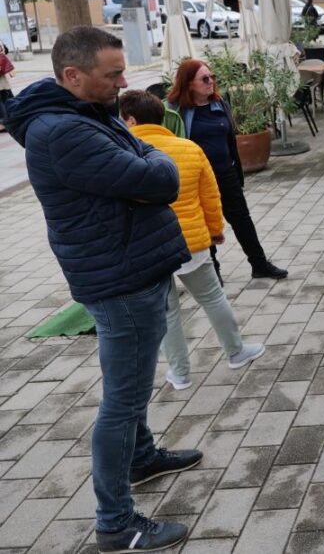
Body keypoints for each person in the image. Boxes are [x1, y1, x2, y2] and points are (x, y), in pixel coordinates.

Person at [0, 27, 199, 551]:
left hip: (128, 264)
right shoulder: (63, 131)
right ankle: (115, 521)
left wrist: (146, 162)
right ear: (72, 75)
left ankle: (142, 457)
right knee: (123, 399)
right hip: (120, 277)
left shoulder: (86, 114)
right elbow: (161, 179)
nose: (123, 82)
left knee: (131, 390)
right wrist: (154, 165)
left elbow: (143, 161)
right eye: (112, 74)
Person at [120, 90, 265, 390]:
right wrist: (215, 230)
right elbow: (211, 197)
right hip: (192, 241)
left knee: (167, 311)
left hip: (148, 248)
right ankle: (236, 352)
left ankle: (180, 373)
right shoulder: (189, 148)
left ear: (131, 120)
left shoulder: (124, 155)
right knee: (213, 297)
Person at [166, 59, 288, 281]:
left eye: (212, 77)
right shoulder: (177, 111)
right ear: (189, 83)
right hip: (198, 179)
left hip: (226, 173)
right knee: (205, 224)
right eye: (205, 78)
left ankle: (259, 264)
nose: (211, 82)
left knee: (242, 219)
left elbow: (230, 140)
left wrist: (236, 169)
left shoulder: (219, 103)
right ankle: (214, 274)